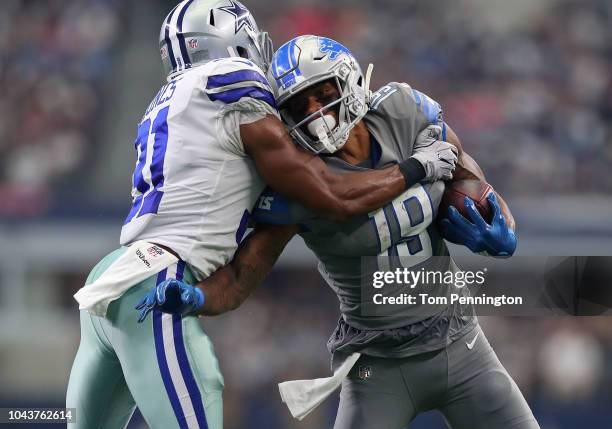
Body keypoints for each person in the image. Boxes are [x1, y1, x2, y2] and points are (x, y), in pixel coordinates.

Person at [66, 2, 458, 429]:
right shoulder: (232, 78)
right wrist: (417, 167)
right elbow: (330, 194)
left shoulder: (169, 97)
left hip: (111, 277)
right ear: (233, 38)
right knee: (201, 396)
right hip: (153, 282)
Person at [139, 36, 539, 429]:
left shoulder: (402, 113)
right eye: (299, 106)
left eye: (322, 94)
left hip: (461, 342)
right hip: (378, 367)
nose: (315, 113)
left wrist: (501, 222)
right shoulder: (300, 183)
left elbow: (466, 171)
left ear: (349, 81)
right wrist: (197, 296)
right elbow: (242, 276)